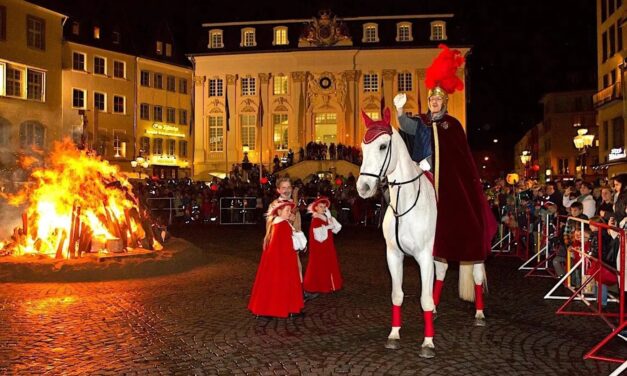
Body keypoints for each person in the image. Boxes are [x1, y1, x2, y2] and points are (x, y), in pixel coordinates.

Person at [393, 44, 497, 325]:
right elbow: (404, 125)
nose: (434, 103)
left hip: (446, 181)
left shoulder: (452, 125)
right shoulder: (423, 122)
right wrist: (400, 109)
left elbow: (459, 160)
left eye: (438, 100)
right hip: (423, 174)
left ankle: (479, 302)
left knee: (460, 215)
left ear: (444, 102)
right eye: (431, 100)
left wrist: (435, 163)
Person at [248, 201, 305, 318]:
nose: (289, 213)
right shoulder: (282, 225)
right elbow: (290, 245)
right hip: (283, 261)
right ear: (279, 212)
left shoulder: (276, 224)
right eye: (287, 211)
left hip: (275, 261)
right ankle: (289, 308)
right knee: (285, 284)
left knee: (270, 284)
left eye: (290, 210)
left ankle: (265, 309)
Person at [303, 196, 343, 294]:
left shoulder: (325, 217)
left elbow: (336, 229)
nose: (323, 208)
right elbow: (319, 237)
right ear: (315, 207)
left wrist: (329, 218)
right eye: (321, 206)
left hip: (327, 246)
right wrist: (328, 226)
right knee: (318, 264)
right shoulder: (316, 219)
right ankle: (317, 285)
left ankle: (329, 284)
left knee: (327, 263)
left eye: (324, 207)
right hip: (319, 247)